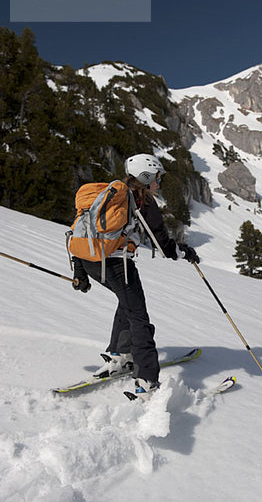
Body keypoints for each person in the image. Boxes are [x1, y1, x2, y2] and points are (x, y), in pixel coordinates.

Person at [71, 153, 199, 399]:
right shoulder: (141, 201)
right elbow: (162, 245)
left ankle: (120, 355)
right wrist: (185, 252)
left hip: (91, 262)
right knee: (139, 318)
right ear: (146, 176)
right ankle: (147, 380)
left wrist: (80, 271)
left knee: (127, 303)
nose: (158, 183)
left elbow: (80, 229)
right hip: (118, 266)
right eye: (156, 178)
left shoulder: (108, 194)